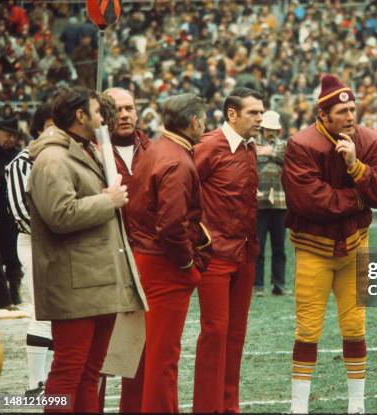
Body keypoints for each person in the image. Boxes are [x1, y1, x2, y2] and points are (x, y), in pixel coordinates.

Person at [26, 86, 147, 412]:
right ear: (79, 116)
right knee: (68, 372)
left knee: (90, 374)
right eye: (97, 111)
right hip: (74, 283)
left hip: (96, 281)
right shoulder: (52, 158)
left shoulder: (83, 149)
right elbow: (60, 214)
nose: (104, 117)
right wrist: (107, 201)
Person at [281, 74, 377, 414]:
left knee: (355, 327)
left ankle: (356, 405)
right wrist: (360, 198)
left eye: (352, 109)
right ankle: (299, 406)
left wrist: (355, 166)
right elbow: (311, 202)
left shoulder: (371, 140)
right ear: (323, 114)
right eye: (342, 111)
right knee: (307, 329)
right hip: (313, 249)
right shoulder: (302, 144)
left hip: (355, 246)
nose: (350, 116)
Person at [126, 93, 209, 412]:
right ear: (194, 122)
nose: (205, 125)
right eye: (203, 119)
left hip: (148, 257)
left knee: (151, 355)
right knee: (164, 357)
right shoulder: (176, 158)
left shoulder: (155, 148)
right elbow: (172, 225)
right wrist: (188, 264)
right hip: (165, 264)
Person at [192, 87, 264, 413]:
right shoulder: (209, 145)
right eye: (253, 113)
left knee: (235, 335)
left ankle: (228, 405)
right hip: (216, 254)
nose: (260, 118)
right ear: (232, 114)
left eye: (261, 112)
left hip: (245, 253)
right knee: (214, 334)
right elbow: (181, 186)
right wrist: (200, 235)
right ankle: (207, 407)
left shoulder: (249, 148)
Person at [101, 87, 152, 412]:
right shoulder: (93, 151)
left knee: (139, 350)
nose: (124, 114)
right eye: (117, 109)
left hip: (144, 261)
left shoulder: (153, 149)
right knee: (99, 350)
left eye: (129, 108)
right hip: (104, 261)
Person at [4, 102, 54, 397]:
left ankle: (50, 378)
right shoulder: (22, 163)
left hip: (61, 241)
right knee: (41, 310)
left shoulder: (66, 158)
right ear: (39, 128)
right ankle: (36, 381)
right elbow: (22, 213)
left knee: (60, 311)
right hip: (34, 241)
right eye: (50, 125)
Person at [254, 110, 288, 296]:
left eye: (273, 129)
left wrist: (267, 152)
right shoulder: (253, 146)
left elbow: (285, 157)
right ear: (263, 128)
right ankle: (258, 285)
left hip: (280, 205)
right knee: (258, 248)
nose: (271, 132)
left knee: (279, 248)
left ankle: (279, 284)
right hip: (259, 203)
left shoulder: (284, 146)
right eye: (268, 129)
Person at [0, 105, 23, 308]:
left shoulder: (18, 156)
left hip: (12, 213)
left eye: (14, 136)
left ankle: (15, 292)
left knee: (13, 257)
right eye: (7, 135)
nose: (10, 139)